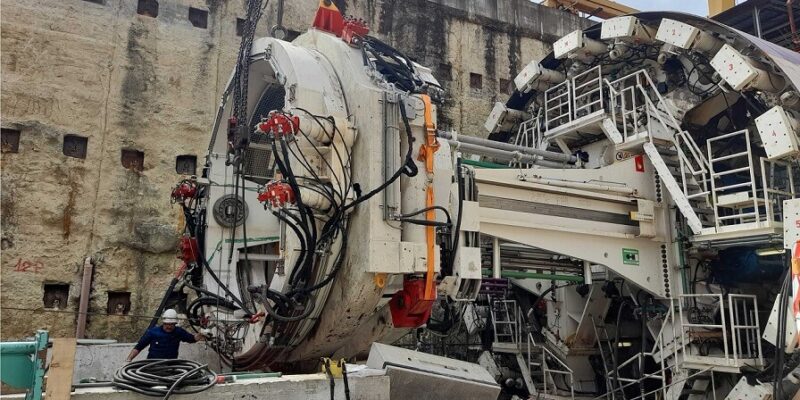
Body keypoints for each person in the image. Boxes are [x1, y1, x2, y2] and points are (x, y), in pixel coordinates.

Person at [126, 309, 204, 361]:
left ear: (175, 323)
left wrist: (202, 333)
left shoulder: (179, 332)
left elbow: (193, 339)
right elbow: (138, 347)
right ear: (163, 322)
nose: (169, 326)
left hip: (170, 366)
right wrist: (128, 360)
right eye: (167, 324)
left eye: (171, 324)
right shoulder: (153, 332)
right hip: (152, 366)